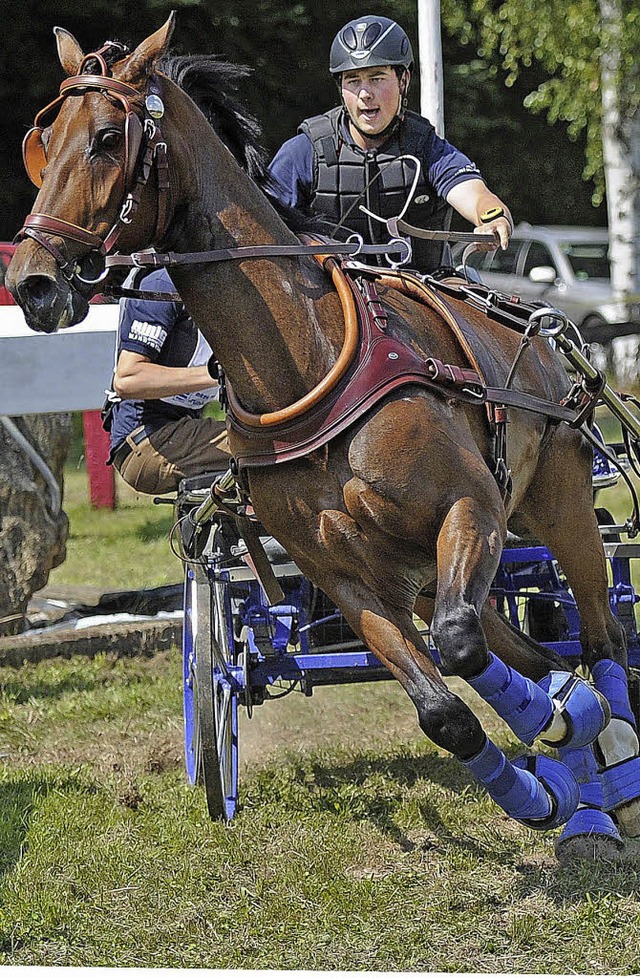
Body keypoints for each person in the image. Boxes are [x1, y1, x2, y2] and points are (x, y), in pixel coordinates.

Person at [268, 14, 513, 273]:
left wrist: (493, 218)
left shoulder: (426, 147)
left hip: (422, 291)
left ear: (403, 81)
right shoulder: (304, 151)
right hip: (329, 297)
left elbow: (476, 196)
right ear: (341, 88)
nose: (365, 94)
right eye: (353, 80)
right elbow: (261, 224)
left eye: (377, 78)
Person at [105, 268, 230, 496]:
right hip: (147, 441)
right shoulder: (160, 283)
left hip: (179, 432)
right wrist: (218, 373)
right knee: (269, 446)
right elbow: (127, 379)